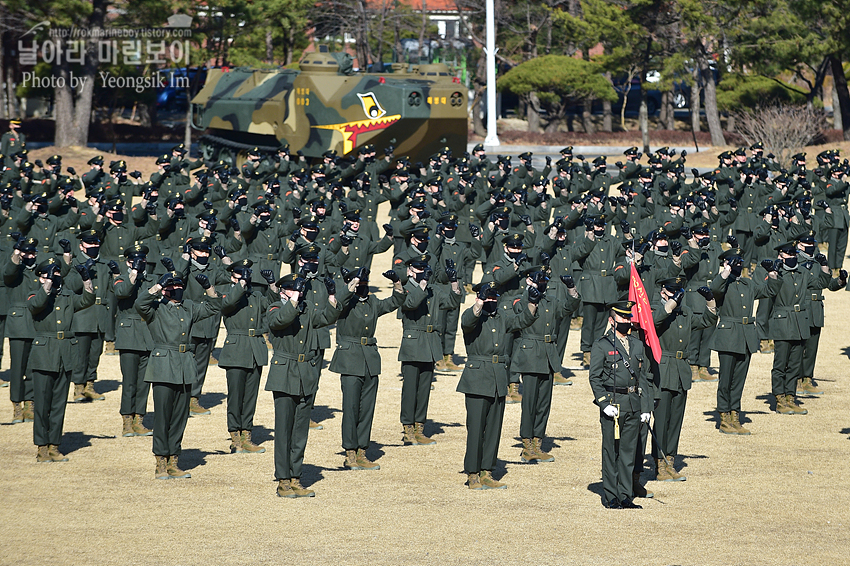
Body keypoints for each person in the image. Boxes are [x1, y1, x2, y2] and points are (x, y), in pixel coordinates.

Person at [135, 270, 221, 480]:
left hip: (184, 366)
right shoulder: (157, 307)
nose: (176, 290)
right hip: (163, 365)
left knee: (180, 416)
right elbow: (140, 305)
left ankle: (174, 459)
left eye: (179, 286)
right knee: (163, 416)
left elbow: (214, 308)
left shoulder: (189, 307)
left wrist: (209, 287)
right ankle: (161, 462)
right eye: (171, 287)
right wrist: (156, 287)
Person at [459, 281, 538, 490]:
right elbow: (468, 321)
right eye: (488, 297)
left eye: (495, 297)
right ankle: (473, 473)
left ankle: (487, 471)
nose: (492, 301)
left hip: (497, 379)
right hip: (477, 380)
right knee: (476, 429)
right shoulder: (473, 316)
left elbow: (523, 320)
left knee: (494, 429)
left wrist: (533, 302)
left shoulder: (503, 319)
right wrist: (479, 302)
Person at [266, 274, 340, 498]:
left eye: (301, 289)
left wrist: (332, 296)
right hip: (285, 374)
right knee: (284, 431)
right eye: (294, 289)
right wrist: (294, 301)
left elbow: (327, 317)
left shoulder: (306, 310)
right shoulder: (275, 307)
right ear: (283, 291)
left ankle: (296, 477)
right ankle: (283, 480)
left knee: (299, 432)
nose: (300, 292)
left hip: (305, 375)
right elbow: (280, 321)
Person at [330, 267, 404, 470]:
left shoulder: (372, 302)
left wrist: (397, 283)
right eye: (360, 283)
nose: (364, 286)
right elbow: (336, 304)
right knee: (351, 408)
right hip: (350, 359)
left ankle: (362, 450)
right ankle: (350, 452)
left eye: (365, 282)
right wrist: (350, 285)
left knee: (367, 410)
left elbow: (395, 302)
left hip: (370, 360)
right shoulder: (345, 302)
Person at [28, 258, 95, 462]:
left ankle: (54, 445)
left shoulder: (66, 295)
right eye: (50, 273)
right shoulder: (35, 294)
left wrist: (86, 279)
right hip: (44, 355)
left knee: (59, 404)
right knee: (42, 404)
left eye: (57, 273)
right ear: (40, 276)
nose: (55, 277)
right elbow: (37, 304)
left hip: (64, 354)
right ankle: (41, 447)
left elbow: (87, 300)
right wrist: (46, 285)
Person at [510, 268, 580, 464]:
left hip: (548, 354)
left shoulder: (550, 301)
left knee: (543, 404)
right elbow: (519, 314)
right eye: (537, 280)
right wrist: (530, 296)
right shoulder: (520, 299)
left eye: (543, 281)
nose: (541, 283)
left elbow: (568, 308)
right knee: (530, 403)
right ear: (528, 280)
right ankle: (527, 446)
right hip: (531, 354)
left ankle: (538, 443)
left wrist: (571, 289)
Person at [650, 277, 717, 481]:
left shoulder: (685, 312)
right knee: (661, 421)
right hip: (663, 369)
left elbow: (706, 321)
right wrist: (669, 305)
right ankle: (659, 463)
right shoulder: (655, 309)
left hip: (681, 370)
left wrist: (710, 301)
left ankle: (670, 460)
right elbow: (651, 324)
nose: (678, 295)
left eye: (679, 291)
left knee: (676, 420)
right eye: (672, 291)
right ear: (663, 292)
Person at [588, 301, 653, 509]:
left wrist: (646, 407)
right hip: (613, 404)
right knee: (611, 451)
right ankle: (610, 496)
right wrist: (603, 403)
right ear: (611, 320)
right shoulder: (602, 345)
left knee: (628, 452)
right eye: (622, 318)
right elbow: (594, 378)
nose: (626, 321)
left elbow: (643, 378)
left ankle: (625, 495)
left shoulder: (637, 344)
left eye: (628, 317)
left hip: (633, 404)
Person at [709, 250, 780, 433]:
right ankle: (724, 416)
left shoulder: (748, 283)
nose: (738, 264)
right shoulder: (723, 283)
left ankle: (735, 415)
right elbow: (715, 289)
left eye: (740, 261)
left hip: (746, 336)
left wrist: (772, 273)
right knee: (725, 380)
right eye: (734, 261)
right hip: (728, 336)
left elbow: (769, 290)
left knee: (739, 380)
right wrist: (726, 270)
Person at [398, 253, 462, 445]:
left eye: (424, 269)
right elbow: (410, 304)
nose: (422, 272)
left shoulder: (433, 289)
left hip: (430, 343)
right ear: (410, 271)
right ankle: (407, 428)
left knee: (424, 388)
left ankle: (420, 427)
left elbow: (452, 302)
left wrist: (454, 283)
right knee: (410, 389)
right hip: (413, 342)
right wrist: (423, 284)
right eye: (418, 269)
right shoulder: (404, 288)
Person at [219, 260, 270, 454]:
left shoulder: (255, 295)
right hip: (236, 350)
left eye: (246, 276)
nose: (244, 280)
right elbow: (228, 303)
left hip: (255, 349)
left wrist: (273, 286)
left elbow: (272, 304)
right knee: (235, 396)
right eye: (238, 276)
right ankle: (235, 436)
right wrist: (240, 284)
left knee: (250, 397)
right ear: (232, 277)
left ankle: (247, 435)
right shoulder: (227, 293)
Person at [111, 245, 154, 437]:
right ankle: (127, 421)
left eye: (142, 260)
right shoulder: (120, 278)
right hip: (128, 336)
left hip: (147, 335)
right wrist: (134, 273)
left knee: (144, 381)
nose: (139, 263)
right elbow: (123, 293)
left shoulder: (150, 280)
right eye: (134, 261)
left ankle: (139, 420)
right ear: (128, 262)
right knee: (129, 381)